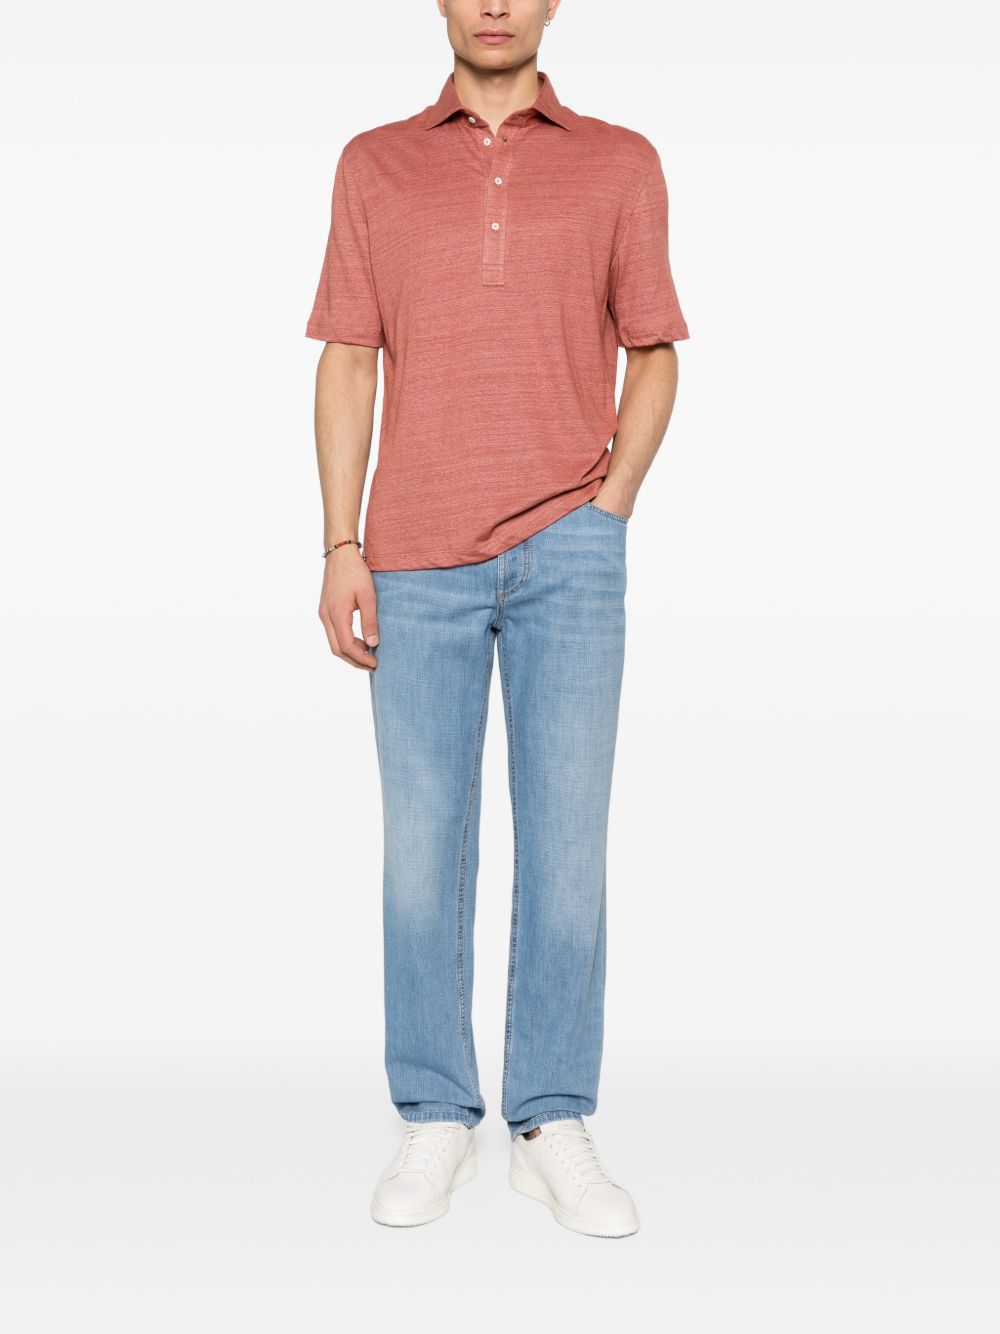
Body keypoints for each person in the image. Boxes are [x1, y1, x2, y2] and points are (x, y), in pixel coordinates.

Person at [306, 0, 688, 1238]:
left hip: (569, 550)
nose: (493, 4)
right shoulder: (375, 164)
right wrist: (341, 543)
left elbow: (655, 347)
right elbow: (348, 355)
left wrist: (608, 508)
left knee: (567, 845)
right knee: (422, 850)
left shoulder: (619, 161)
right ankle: (434, 1111)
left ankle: (548, 1116)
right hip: (413, 554)